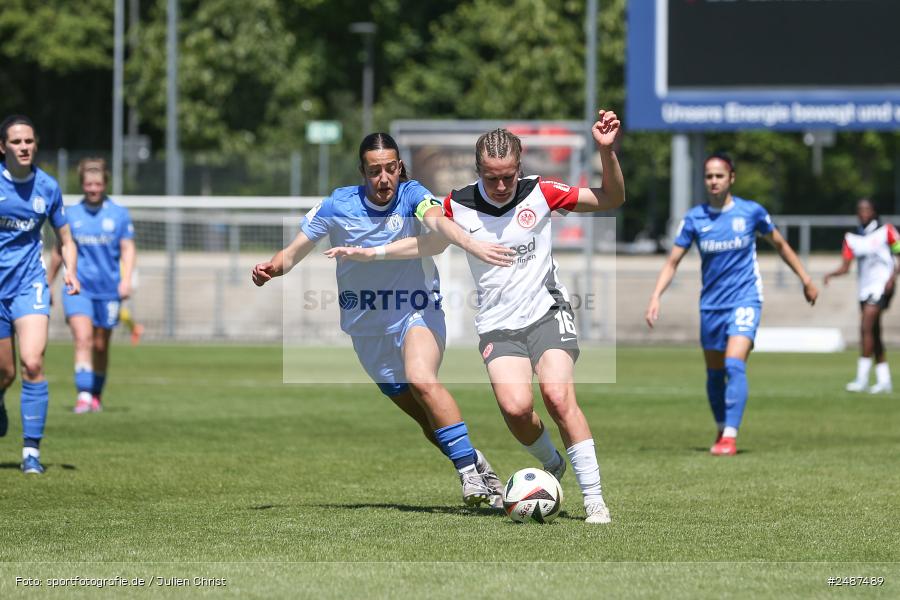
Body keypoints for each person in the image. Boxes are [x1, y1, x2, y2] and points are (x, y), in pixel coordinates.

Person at [327, 110, 625, 524]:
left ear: (519, 169)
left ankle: (594, 499)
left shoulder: (542, 191)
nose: (501, 186)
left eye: (508, 176)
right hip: (498, 325)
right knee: (517, 410)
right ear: (477, 170)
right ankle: (551, 463)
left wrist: (607, 153)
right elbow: (427, 246)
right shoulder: (457, 205)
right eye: (491, 177)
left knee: (557, 396)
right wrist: (370, 252)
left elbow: (611, 199)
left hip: (546, 311)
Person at [252, 132, 512, 508]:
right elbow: (291, 254)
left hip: (416, 309)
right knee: (427, 421)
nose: (384, 178)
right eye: (375, 171)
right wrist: (269, 269)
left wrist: (468, 242)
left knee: (423, 380)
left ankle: (468, 475)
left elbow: (436, 222)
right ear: (363, 172)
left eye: (391, 168)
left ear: (400, 167)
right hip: (366, 327)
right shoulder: (337, 205)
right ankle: (476, 463)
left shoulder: (412, 195)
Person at [645, 152, 818, 456]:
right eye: (709, 176)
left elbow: (780, 244)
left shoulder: (751, 213)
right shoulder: (695, 218)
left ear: (731, 178)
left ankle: (730, 436)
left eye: (719, 175)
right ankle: (723, 425)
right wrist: (656, 296)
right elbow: (673, 261)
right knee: (714, 374)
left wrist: (805, 278)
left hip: (745, 298)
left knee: (733, 365)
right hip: (711, 305)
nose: (713, 181)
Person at [0, 114, 80, 474]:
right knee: (4, 372)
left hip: (30, 284)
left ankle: (31, 451)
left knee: (32, 362)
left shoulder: (47, 187)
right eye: (16, 142)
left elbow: (65, 238)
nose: (24, 147)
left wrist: (71, 272)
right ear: (3, 147)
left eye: (29, 141)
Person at [48, 158, 136, 413]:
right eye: (88, 184)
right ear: (82, 184)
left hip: (109, 289)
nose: (93, 188)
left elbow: (128, 248)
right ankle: (84, 396)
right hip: (79, 288)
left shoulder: (119, 214)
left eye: (97, 184)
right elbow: (58, 251)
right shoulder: (71, 214)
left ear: (105, 183)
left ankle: (95, 393)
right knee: (83, 339)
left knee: (100, 344)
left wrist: (127, 279)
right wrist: (47, 282)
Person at [824, 198, 899, 394]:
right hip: (864, 290)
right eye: (860, 209)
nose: (863, 212)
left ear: (874, 212)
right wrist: (831, 274)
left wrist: (893, 278)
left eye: (867, 209)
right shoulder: (852, 238)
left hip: (882, 287)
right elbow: (845, 267)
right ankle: (884, 380)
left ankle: (862, 378)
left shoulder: (886, 231)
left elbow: (898, 252)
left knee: (865, 326)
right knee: (874, 333)